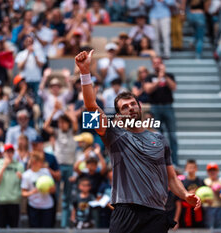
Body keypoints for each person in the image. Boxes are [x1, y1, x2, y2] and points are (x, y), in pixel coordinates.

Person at [75, 50, 200, 233]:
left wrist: (184, 194)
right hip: (126, 212)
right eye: (125, 107)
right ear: (119, 115)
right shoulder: (114, 134)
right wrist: (85, 73)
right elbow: (91, 106)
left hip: (156, 213)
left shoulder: (159, 139)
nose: (130, 108)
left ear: (139, 106)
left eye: (133, 104)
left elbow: (171, 178)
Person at [43, 107, 78, 228]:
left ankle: (64, 225)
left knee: (67, 198)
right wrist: (53, 112)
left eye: (63, 122)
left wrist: (63, 110)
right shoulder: (57, 132)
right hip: (57, 168)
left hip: (69, 167)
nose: (60, 124)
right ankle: (51, 224)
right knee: (55, 195)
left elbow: (74, 121)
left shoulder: (72, 132)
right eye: (59, 122)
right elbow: (45, 126)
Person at [144, 56, 178, 165]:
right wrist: (159, 78)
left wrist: (165, 75)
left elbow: (174, 87)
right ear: (152, 65)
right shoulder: (149, 77)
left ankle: (175, 162)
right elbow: (148, 90)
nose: (157, 65)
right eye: (155, 63)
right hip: (155, 107)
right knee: (156, 135)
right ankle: (158, 160)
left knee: (172, 135)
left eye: (159, 63)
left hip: (168, 106)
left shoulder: (169, 76)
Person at [0, 144, 24, 228]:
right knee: (1, 228)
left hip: (14, 201)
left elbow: (24, 184)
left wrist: (22, 178)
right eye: (7, 151)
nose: (9, 153)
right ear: (3, 153)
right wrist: (4, 167)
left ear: (13, 153)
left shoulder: (19, 166)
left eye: (11, 151)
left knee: (14, 228)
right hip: (1, 201)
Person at [21, 151, 56, 228]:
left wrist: (48, 189)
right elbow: (23, 193)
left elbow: (54, 189)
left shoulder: (46, 172)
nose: (42, 164)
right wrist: (33, 192)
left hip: (47, 207)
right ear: (34, 163)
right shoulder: (26, 175)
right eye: (40, 162)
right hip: (33, 207)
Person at [180, 160, 204, 228]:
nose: (191, 169)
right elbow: (178, 197)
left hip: (198, 209)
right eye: (189, 167)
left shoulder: (201, 181)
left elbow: (205, 195)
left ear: (196, 169)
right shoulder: (182, 182)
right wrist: (187, 194)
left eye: (193, 167)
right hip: (186, 211)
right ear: (186, 169)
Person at [203, 162, 221, 229]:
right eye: (210, 170)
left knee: (219, 228)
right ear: (207, 172)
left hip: (219, 208)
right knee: (209, 228)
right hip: (208, 208)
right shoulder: (204, 181)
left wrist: (219, 192)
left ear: (217, 171)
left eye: (214, 170)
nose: (212, 172)